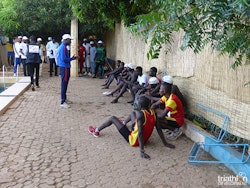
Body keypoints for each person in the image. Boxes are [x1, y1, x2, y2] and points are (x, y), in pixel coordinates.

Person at [88, 95, 175, 159]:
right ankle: (124, 122)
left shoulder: (140, 114)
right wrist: (165, 143)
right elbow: (158, 129)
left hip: (133, 140)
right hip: (145, 139)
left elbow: (140, 133)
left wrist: (141, 151)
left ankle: (96, 130)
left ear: (140, 106)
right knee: (133, 113)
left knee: (112, 118)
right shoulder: (153, 112)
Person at [57, 34, 78, 108]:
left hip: (64, 67)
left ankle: (64, 99)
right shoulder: (63, 47)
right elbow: (64, 59)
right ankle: (62, 101)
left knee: (65, 83)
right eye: (70, 40)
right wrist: (72, 58)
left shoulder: (63, 47)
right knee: (64, 84)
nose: (70, 41)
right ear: (66, 40)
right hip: (65, 67)